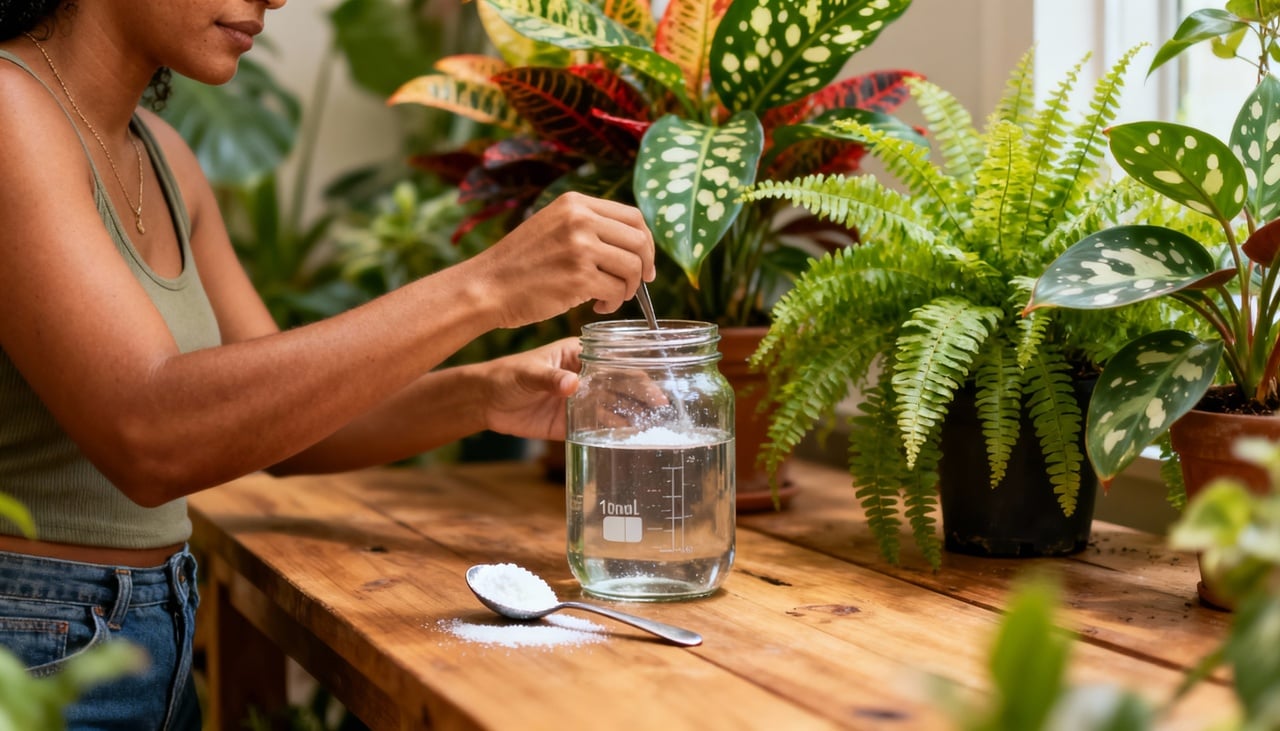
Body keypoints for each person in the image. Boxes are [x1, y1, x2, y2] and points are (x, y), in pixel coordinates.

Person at [0, 0, 656, 728]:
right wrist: (487, 287)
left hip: (144, 637)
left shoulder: (161, 156)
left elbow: (279, 429)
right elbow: (149, 434)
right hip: (30, 642)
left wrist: (483, 394)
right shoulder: (7, 109)